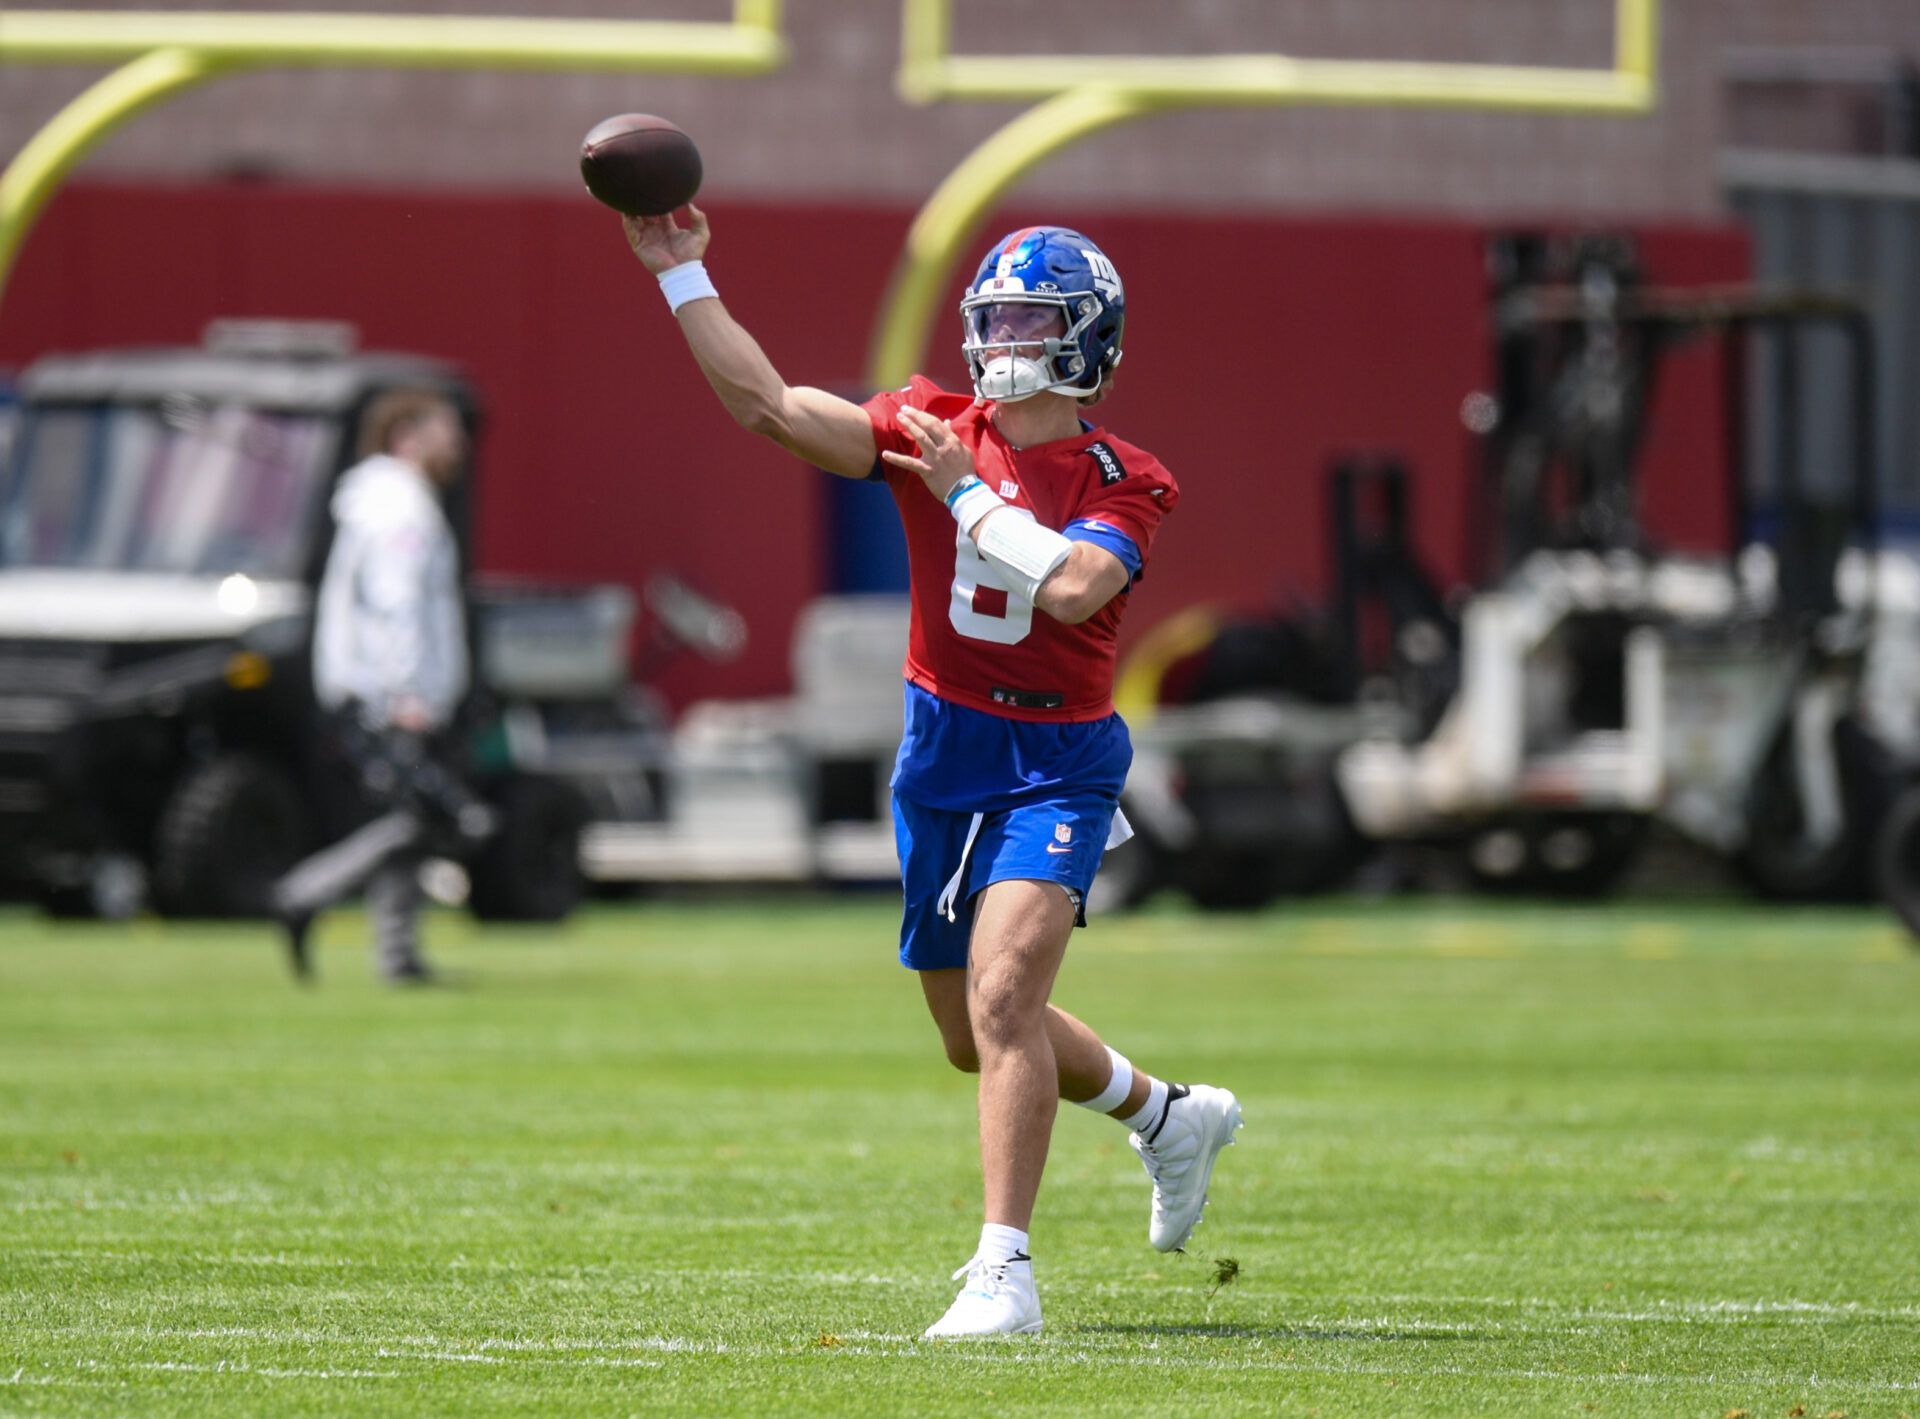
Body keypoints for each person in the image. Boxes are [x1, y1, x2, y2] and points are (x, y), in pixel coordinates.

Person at [622, 210, 1243, 1339]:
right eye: (992, 318)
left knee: (1007, 999)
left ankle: (1004, 1274)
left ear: (1086, 340)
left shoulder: (1125, 475)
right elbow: (769, 405)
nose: (1002, 340)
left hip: (1058, 759)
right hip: (942, 748)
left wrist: (962, 494)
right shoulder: (932, 422)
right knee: (971, 1033)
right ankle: (1167, 1116)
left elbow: (1068, 590)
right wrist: (681, 272)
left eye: (1028, 321)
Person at [276, 389, 475, 983]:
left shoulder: (385, 500)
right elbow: (398, 604)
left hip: (378, 690)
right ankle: (303, 893)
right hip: (392, 695)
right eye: (445, 431)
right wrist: (407, 692)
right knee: (424, 819)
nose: (458, 445)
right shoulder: (399, 507)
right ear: (405, 437)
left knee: (410, 820)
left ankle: (398, 956)